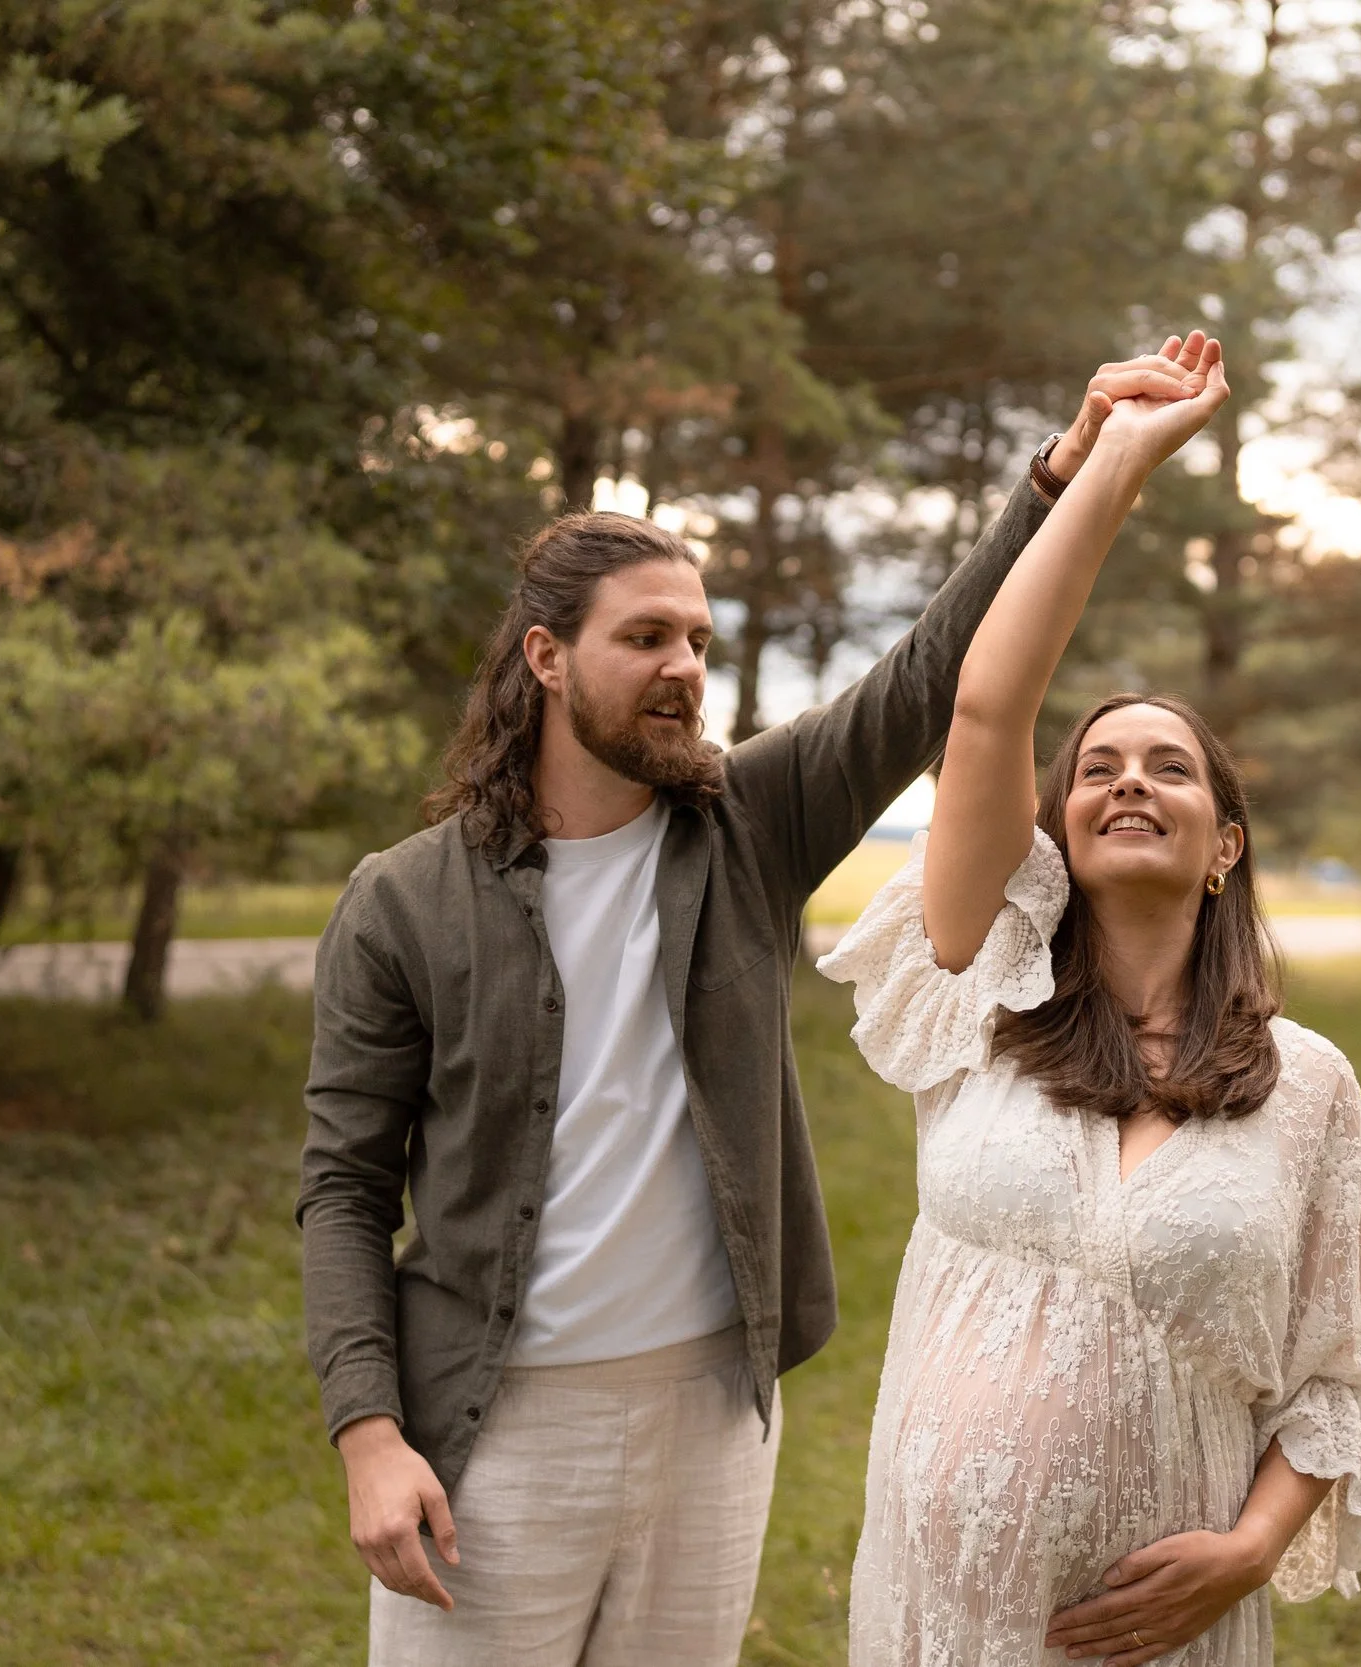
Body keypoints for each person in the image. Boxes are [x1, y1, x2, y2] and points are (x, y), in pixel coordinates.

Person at [295, 346, 1221, 1667]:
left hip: (709, 1418)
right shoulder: (402, 902)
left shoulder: (749, 825)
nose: (685, 666)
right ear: (546, 657)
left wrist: (1063, 470)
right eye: (647, 637)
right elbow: (342, 1188)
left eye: (698, 639)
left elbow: (927, 681)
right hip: (492, 1426)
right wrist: (369, 1433)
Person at [815, 329, 1361, 1666]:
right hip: (941, 1620)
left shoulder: (1307, 1084)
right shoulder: (982, 994)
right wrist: (1116, 469)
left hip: (1162, 1642)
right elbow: (984, 706)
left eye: (1171, 768)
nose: (1129, 779)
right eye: (1097, 766)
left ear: (1226, 845)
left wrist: (1254, 1549)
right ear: (1061, 826)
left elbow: (1335, 1374)